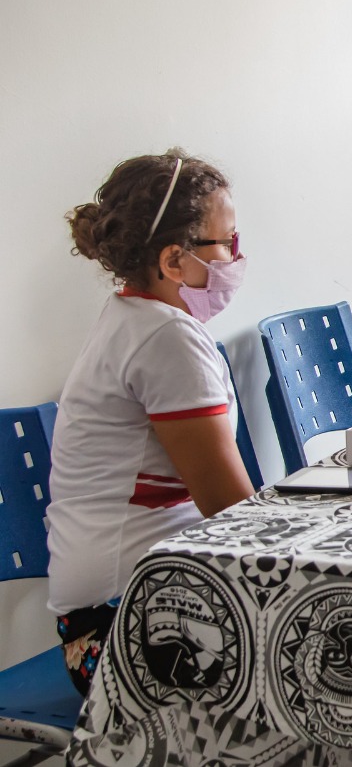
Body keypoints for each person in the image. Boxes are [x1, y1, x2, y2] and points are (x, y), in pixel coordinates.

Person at [48, 150, 255, 694]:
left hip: (119, 602)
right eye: (226, 243)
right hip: (126, 620)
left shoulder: (134, 317)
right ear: (173, 261)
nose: (236, 257)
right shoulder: (166, 339)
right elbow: (230, 510)